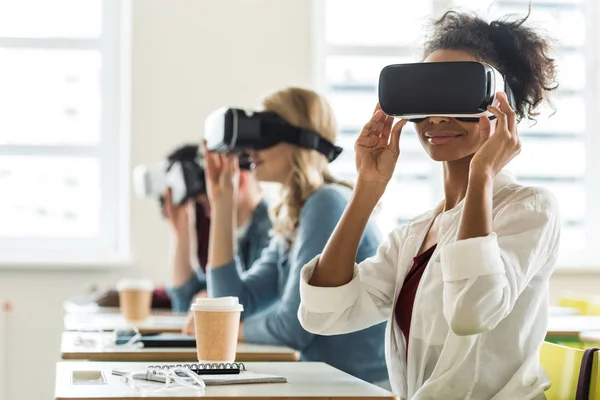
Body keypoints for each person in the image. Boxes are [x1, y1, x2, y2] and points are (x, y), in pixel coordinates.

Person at [298, 10, 560, 399]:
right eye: (426, 96)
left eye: (457, 96)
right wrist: (367, 188)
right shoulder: (416, 233)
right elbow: (324, 314)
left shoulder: (531, 209)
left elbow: (472, 312)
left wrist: (482, 174)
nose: (436, 117)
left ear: (502, 108)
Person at [195, 87, 389, 387]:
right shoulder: (297, 217)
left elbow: (293, 327)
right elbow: (234, 301)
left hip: (359, 387)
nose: (251, 151)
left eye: (264, 133)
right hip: (325, 383)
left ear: (300, 139)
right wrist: (222, 203)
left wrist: (232, 330)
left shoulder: (328, 202)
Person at [165, 145, 272, 313]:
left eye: (207, 202)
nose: (207, 213)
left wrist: (214, 299)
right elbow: (184, 305)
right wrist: (181, 232)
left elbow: (249, 309)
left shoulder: (269, 230)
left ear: (240, 181)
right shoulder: (239, 234)